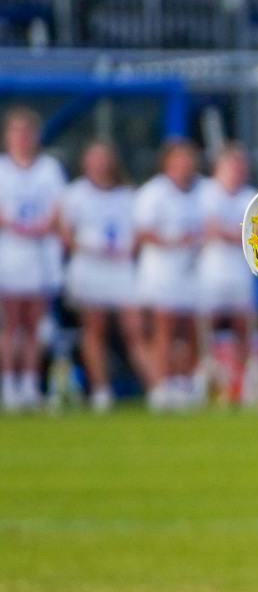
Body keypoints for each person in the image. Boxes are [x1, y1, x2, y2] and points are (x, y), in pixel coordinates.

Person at [59, 139, 144, 410]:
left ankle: (157, 386)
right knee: (94, 328)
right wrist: (89, 249)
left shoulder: (127, 194)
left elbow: (138, 232)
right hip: (89, 267)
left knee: (134, 327)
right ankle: (100, 390)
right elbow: (65, 232)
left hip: (120, 268)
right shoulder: (75, 194)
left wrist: (126, 250)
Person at [132, 139, 210, 410]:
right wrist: (175, 241)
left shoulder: (203, 190)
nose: (184, 165)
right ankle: (161, 385)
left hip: (192, 272)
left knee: (190, 331)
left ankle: (185, 383)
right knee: (164, 328)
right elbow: (142, 231)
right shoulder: (154, 193)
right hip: (162, 271)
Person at [0, 107, 65, 412]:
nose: (23, 138)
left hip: (39, 253)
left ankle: (29, 382)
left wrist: (42, 225)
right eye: (17, 132)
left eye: (28, 132)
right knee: (10, 322)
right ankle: (9, 383)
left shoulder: (48, 169)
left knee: (33, 322)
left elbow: (57, 208)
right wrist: (15, 225)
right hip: (10, 251)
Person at [195, 143, 258, 404]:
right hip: (211, 272)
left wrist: (232, 233)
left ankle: (240, 383)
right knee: (203, 327)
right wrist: (240, 234)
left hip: (241, 273)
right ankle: (206, 380)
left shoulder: (251, 196)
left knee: (243, 325)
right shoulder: (206, 193)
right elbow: (210, 228)